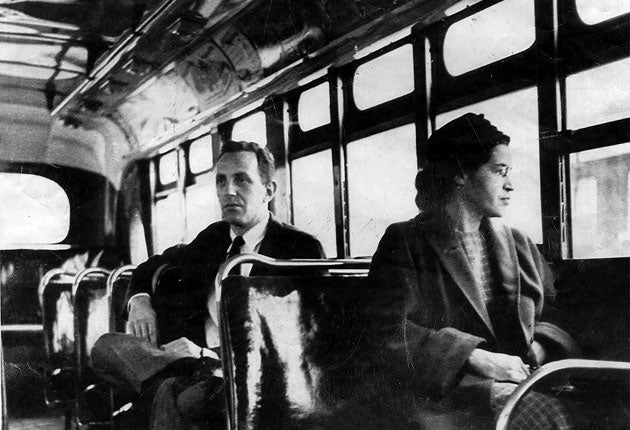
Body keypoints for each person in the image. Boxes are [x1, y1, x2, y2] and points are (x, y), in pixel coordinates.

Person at [91, 140, 325, 429]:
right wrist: (139, 301)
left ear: (269, 190)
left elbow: (302, 342)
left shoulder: (300, 248)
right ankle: (177, 380)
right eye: (221, 181)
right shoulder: (213, 238)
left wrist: (207, 356)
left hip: (252, 377)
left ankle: (162, 392)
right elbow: (151, 265)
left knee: (177, 395)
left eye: (242, 180)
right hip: (194, 367)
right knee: (105, 346)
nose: (229, 191)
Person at [368, 113, 581, 429]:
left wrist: (540, 348)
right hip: (447, 393)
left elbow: (555, 311)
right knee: (541, 416)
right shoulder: (407, 240)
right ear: (460, 176)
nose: (510, 185)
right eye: (499, 171)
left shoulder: (518, 243)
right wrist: (472, 357)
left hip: (523, 380)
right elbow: (384, 331)